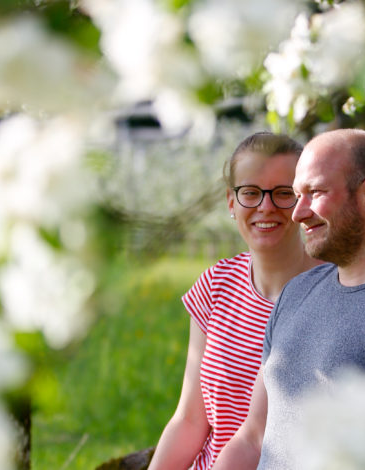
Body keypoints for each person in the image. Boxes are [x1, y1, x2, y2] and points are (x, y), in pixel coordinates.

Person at [213, 128, 365, 470]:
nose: (297, 213)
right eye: (297, 195)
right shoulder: (297, 292)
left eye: (314, 192)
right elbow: (253, 438)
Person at [148, 132, 321, 470]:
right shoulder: (216, 284)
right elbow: (189, 421)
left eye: (283, 193)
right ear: (231, 202)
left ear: (304, 202)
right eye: (251, 193)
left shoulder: (334, 290)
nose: (265, 206)